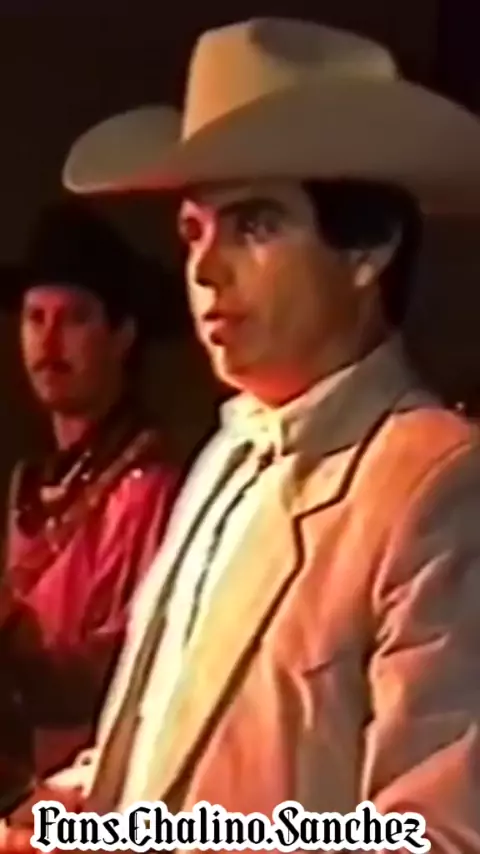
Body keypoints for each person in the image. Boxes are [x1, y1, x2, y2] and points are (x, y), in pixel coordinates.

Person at [7, 16, 480, 852]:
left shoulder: (437, 485)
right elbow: (158, 749)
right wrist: (54, 819)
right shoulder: (226, 456)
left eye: (254, 226)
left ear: (367, 248)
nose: (204, 268)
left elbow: (435, 831)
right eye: (194, 231)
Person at [0, 199, 178, 808]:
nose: (49, 342)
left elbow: (132, 668)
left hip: (97, 795)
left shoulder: (149, 487)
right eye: (35, 317)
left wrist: (13, 648)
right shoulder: (30, 483)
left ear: (122, 335)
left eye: (74, 318)